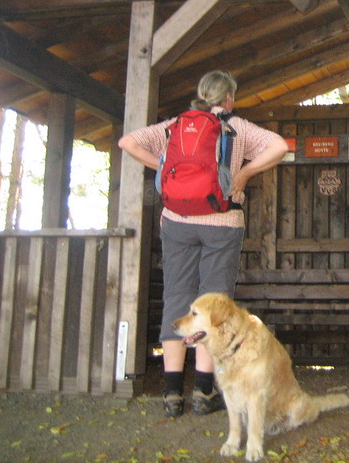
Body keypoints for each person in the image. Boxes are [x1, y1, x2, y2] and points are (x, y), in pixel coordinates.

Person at [118, 70, 288, 418]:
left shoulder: (174, 126)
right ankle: (203, 391)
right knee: (213, 304)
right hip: (222, 222)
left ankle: (171, 394)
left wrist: (162, 165)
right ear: (228, 98)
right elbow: (280, 146)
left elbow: (127, 142)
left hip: (176, 221)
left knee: (176, 298)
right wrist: (243, 174)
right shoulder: (236, 126)